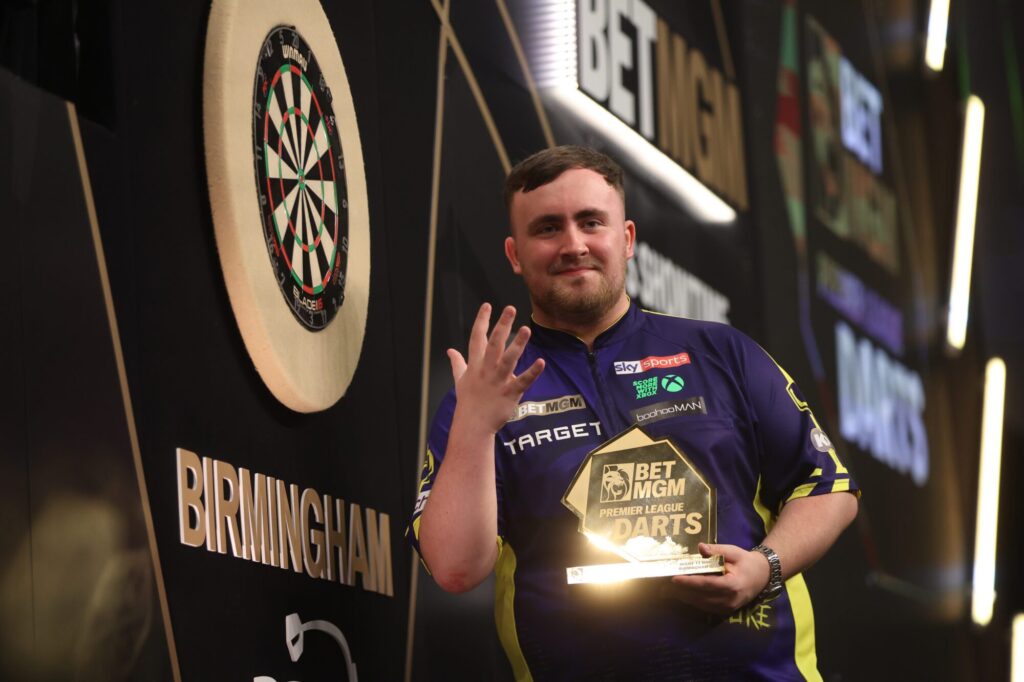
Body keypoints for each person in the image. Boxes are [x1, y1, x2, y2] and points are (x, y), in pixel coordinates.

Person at [408, 145, 859, 680]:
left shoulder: (721, 352)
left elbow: (828, 487)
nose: (573, 245)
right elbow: (456, 570)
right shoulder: (483, 391)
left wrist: (766, 566)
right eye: (548, 228)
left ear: (626, 240)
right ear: (514, 253)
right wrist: (477, 426)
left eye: (590, 222)